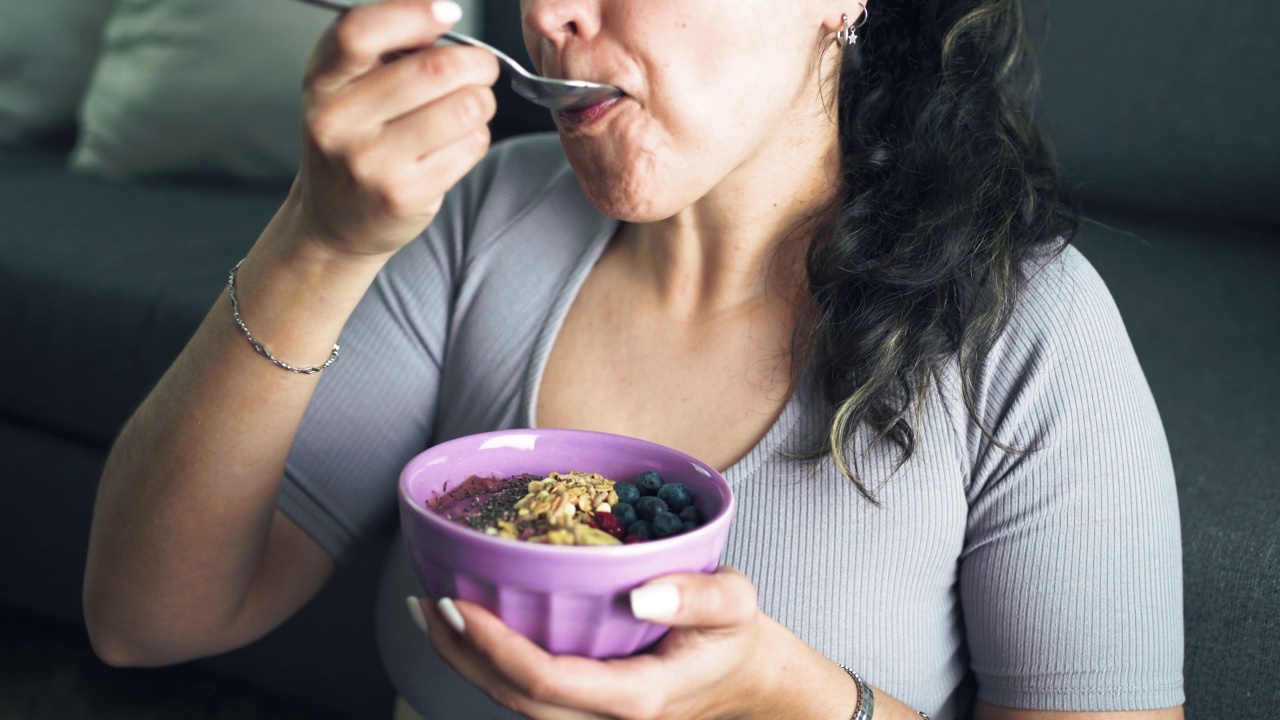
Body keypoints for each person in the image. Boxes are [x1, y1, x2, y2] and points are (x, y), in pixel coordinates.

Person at [82, 0, 1186, 718]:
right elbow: (146, 619)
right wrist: (316, 242)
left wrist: (784, 699)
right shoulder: (480, 224)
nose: (552, 16)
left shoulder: (1028, 331)